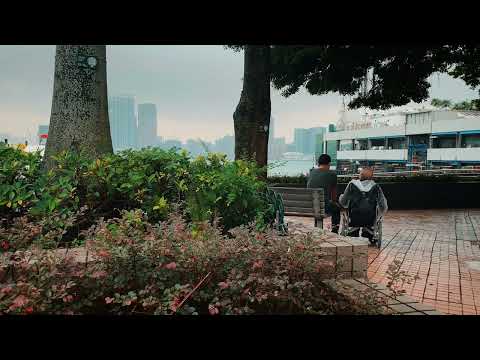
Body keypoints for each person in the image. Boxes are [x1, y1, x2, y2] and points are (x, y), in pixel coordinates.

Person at [339, 167, 388, 245]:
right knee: (371, 211)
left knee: (344, 200)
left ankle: (353, 232)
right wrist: (382, 212)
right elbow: (383, 205)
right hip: (370, 218)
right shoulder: (376, 186)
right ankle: (368, 234)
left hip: (354, 217)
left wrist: (341, 200)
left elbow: (343, 202)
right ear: (371, 177)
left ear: (360, 175)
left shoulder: (352, 184)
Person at [307, 154, 340, 233]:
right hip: (321, 207)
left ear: (319, 163)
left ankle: (317, 229)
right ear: (329, 164)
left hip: (308, 206)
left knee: (318, 204)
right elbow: (334, 196)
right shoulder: (332, 174)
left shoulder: (311, 173)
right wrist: (334, 202)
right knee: (336, 208)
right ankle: (334, 231)